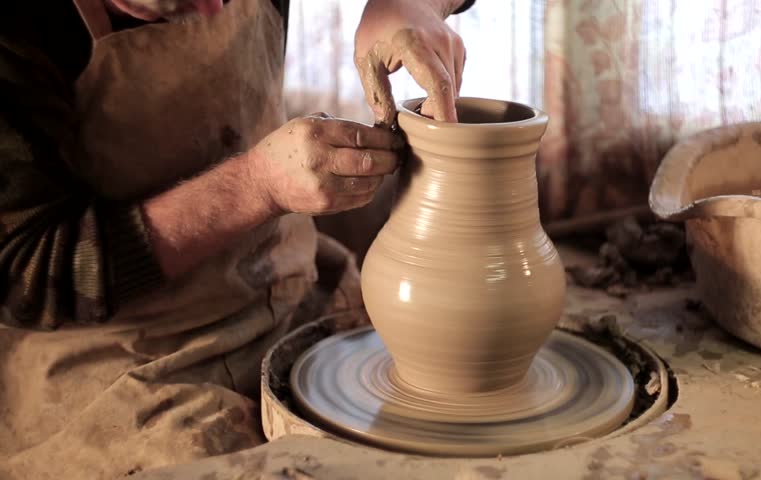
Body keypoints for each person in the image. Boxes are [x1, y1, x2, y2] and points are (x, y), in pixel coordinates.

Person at [0, 0, 472, 478]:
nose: (212, 7)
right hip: (126, 359)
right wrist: (254, 187)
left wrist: (409, 5)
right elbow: (26, 270)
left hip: (293, 288)